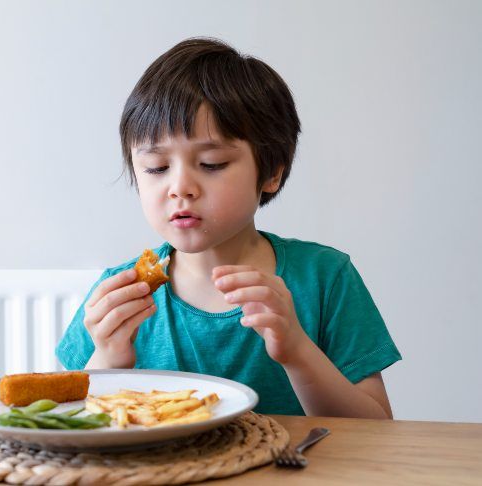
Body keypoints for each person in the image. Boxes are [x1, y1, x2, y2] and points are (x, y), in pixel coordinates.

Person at [55, 37, 401, 418]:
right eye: (156, 168)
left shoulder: (324, 278)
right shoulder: (118, 296)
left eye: (212, 163)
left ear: (270, 173)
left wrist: (298, 351)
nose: (180, 188)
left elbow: (376, 429)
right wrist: (108, 359)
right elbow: (63, 427)